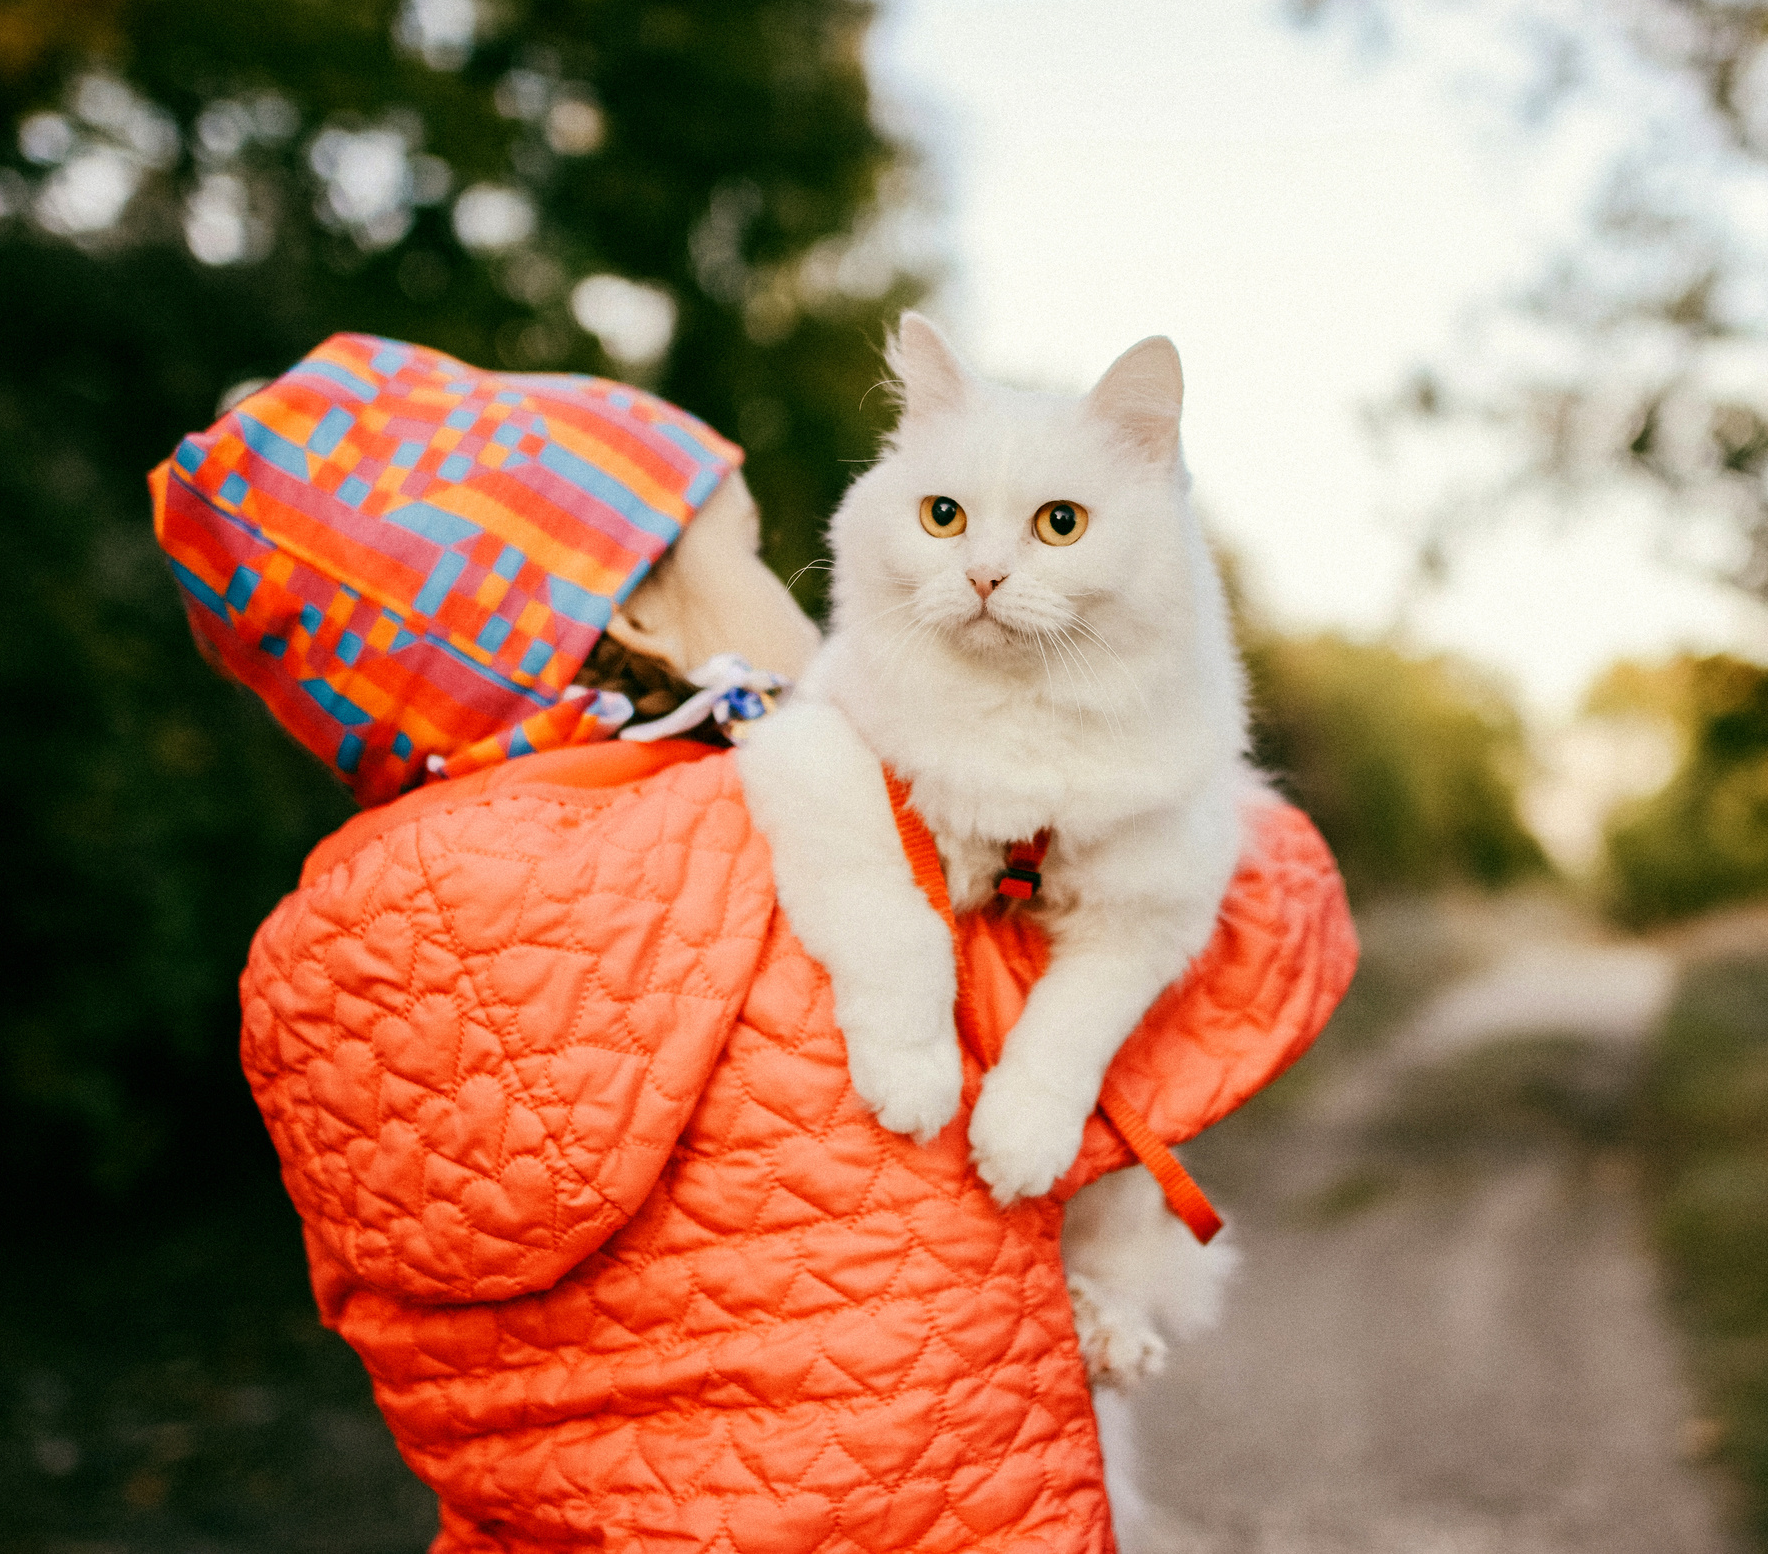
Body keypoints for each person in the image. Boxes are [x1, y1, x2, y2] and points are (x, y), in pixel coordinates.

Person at [150, 333, 1356, 1551]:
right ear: (634, 612)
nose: (790, 589)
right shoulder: (798, 856)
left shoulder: (322, 965)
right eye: (745, 546)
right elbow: (1265, 933)